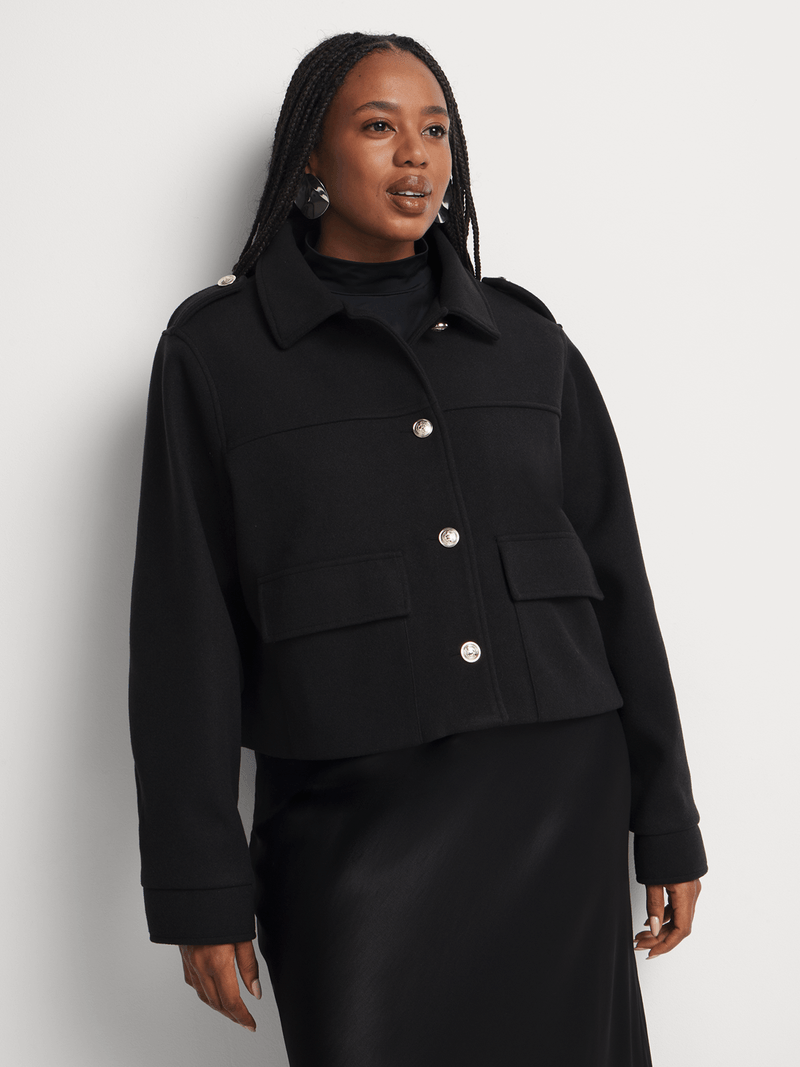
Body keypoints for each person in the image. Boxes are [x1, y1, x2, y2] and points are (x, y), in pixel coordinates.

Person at [128, 31, 707, 1066]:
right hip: (349, 819)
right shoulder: (218, 354)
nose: (415, 156)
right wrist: (197, 882)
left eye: (435, 130)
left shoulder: (526, 341)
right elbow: (183, 630)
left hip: (554, 802)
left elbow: (618, 584)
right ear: (312, 154)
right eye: (377, 126)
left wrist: (666, 817)